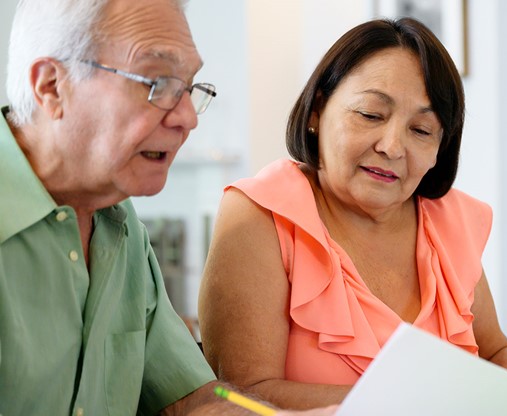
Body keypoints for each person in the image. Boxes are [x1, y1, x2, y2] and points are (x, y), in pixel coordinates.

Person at [198, 17, 507, 416]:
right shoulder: (259, 216)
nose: (392, 147)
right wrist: (428, 401)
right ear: (316, 111)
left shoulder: (449, 219)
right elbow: (240, 393)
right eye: (370, 115)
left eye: (421, 130)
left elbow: (494, 352)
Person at [0, 1, 336, 415]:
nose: (187, 118)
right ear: (51, 86)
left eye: (189, 88)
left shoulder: (122, 229)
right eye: (156, 83)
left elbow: (191, 401)